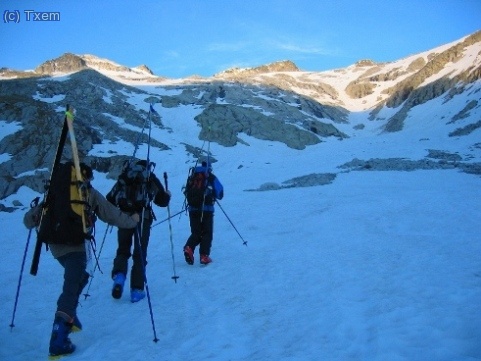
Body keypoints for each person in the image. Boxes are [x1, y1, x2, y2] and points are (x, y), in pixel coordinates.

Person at [24, 163, 140, 358]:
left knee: (81, 277)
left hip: (56, 246)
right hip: (77, 246)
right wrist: (133, 221)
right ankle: (59, 339)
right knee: (70, 288)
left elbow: (29, 220)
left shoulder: (55, 191)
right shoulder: (87, 193)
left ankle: (71, 315)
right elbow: (110, 214)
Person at [108, 160, 171, 303]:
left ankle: (119, 276)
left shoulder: (125, 176)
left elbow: (110, 198)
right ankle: (136, 290)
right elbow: (161, 201)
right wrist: (167, 195)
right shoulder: (149, 177)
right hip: (143, 218)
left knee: (123, 250)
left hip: (124, 217)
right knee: (140, 253)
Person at [183, 161, 224, 265]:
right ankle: (204, 256)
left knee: (196, 232)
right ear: (209, 167)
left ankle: (189, 247)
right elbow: (220, 193)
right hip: (206, 209)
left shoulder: (192, 176)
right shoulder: (210, 176)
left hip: (192, 209)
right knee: (207, 232)